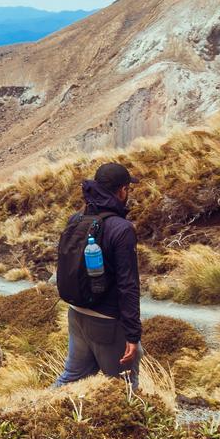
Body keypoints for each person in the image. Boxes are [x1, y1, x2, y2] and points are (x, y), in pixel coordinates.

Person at [54, 160, 142, 389]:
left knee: (72, 377)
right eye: (127, 189)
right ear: (122, 191)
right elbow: (128, 285)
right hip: (107, 323)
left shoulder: (77, 219)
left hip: (77, 313)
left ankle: (31, 414)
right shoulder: (122, 229)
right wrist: (132, 336)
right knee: (124, 387)